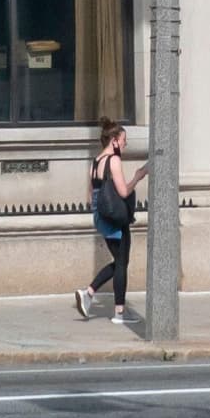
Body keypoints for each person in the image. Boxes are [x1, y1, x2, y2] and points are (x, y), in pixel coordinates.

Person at [75, 118, 138, 322]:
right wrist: (139, 176)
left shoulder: (95, 162)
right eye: (123, 140)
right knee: (121, 264)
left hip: (101, 217)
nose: (125, 144)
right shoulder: (114, 161)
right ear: (114, 140)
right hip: (115, 218)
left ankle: (90, 293)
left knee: (120, 261)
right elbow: (123, 190)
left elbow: (90, 196)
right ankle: (119, 312)